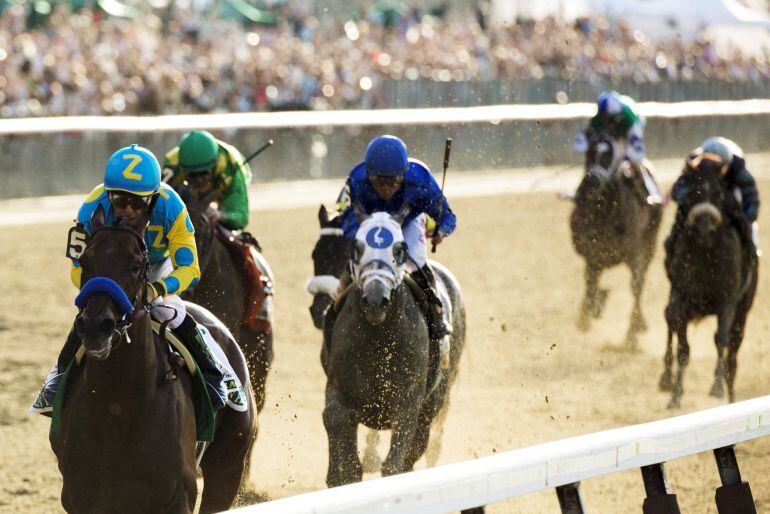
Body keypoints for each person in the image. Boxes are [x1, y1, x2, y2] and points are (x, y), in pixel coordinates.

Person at [31, 144, 227, 414]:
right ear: (108, 193)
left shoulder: (172, 207)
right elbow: (77, 267)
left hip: (158, 266)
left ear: (154, 197)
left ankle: (213, 375)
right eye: (120, 201)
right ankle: (58, 377)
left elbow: (190, 268)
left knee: (170, 310)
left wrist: (155, 289)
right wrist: (99, 292)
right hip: (111, 271)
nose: (128, 209)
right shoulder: (91, 207)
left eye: (138, 202)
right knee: (90, 314)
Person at [333, 135, 456, 366]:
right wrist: (360, 242)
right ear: (369, 175)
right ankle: (335, 307)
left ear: (404, 174)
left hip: (408, 222)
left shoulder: (420, 179)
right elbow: (345, 218)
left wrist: (441, 230)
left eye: (394, 182)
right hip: (368, 223)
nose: (387, 188)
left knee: (416, 259)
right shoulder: (356, 180)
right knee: (358, 262)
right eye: (379, 182)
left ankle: (435, 309)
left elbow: (448, 215)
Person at [670, 136, 760, 255]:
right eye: (708, 163)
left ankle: (751, 257)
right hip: (697, 201)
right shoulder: (694, 165)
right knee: (676, 229)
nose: (711, 168)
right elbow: (677, 190)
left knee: (747, 235)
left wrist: (747, 221)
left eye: (716, 165)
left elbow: (751, 198)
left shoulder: (737, 169)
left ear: (726, 165)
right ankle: (671, 252)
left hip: (727, 199)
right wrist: (689, 197)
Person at [573, 90, 662, 203]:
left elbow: (637, 149)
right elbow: (581, 142)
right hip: (613, 134)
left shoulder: (630, 119)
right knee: (594, 163)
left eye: (612, 119)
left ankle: (651, 193)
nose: (609, 123)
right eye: (606, 119)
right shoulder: (598, 118)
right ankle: (581, 191)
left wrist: (628, 157)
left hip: (628, 133)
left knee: (636, 163)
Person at [163, 130, 252, 230]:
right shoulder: (172, 164)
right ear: (182, 168)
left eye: (204, 173)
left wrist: (221, 215)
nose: (199, 179)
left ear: (215, 165)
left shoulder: (232, 169)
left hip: (224, 184)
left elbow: (241, 217)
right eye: (192, 174)